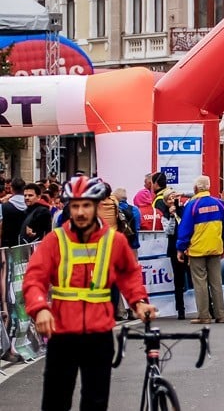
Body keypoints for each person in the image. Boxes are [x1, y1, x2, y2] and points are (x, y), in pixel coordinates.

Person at [23, 175, 156, 411]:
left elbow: (129, 274)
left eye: (86, 205)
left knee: (95, 402)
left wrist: (139, 302)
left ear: (96, 206)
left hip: (99, 333)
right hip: (62, 333)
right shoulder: (55, 241)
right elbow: (34, 279)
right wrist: (40, 309)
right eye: (75, 206)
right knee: (55, 400)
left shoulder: (114, 241)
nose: (80, 212)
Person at [177, 175, 224, 325]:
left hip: (197, 250)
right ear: (208, 187)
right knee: (216, 282)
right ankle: (220, 315)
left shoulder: (192, 205)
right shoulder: (219, 204)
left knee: (200, 282)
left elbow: (185, 229)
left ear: (195, 189)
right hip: (215, 248)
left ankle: (204, 315)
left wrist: (181, 248)